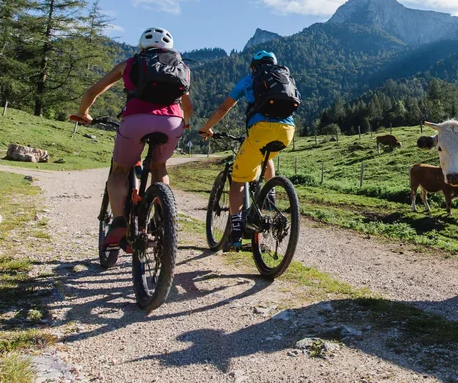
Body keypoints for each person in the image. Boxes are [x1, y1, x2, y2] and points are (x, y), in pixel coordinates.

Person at [74, 27, 192, 249]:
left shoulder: (131, 63)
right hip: (172, 122)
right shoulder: (182, 67)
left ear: (142, 45)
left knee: (120, 170)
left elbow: (92, 91)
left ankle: (119, 222)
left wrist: (84, 113)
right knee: (160, 166)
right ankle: (162, 215)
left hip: (136, 120)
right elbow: (188, 106)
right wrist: (185, 122)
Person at [199, 50, 296, 245]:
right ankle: (270, 197)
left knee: (237, 180)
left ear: (254, 67)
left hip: (261, 129)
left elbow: (223, 108)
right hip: (288, 130)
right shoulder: (284, 78)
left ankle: (235, 231)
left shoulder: (249, 80)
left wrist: (207, 128)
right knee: (266, 158)